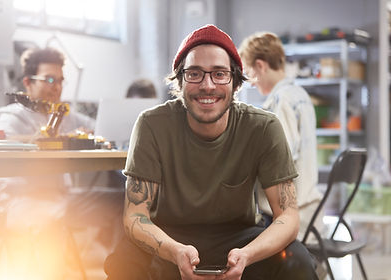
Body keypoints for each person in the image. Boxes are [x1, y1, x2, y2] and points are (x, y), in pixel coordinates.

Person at [104, 24, 318, 280]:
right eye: (194, 74)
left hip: (240, 237)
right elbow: (135, 216)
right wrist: (174, 251)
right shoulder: (152, 124)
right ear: (180, 80)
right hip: (169, 235)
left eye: (219, 74)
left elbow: (288, 217)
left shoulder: (264, 127)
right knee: (122, 262)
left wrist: (248, 254)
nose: (207, 85)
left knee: (298, 261)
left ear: (235, 81)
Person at [0, 47, 122, 279]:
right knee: (50, 229)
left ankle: (122, 271)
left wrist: (95, 132)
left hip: (64, 200)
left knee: (126, 200)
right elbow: (8, 152)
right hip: (22, 203)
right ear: (28, 82)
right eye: (50, 79)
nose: (57, 87)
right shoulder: (11, 117)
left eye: (61, 80)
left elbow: (99, 126)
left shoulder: (63, 114)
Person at [238, 32, 323, 240]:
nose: (251, 82)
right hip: (311, 208)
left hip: (291, 216)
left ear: (261, 65)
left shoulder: (281, 101)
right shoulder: (299, 94)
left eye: (249, 72)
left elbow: (281, 160)